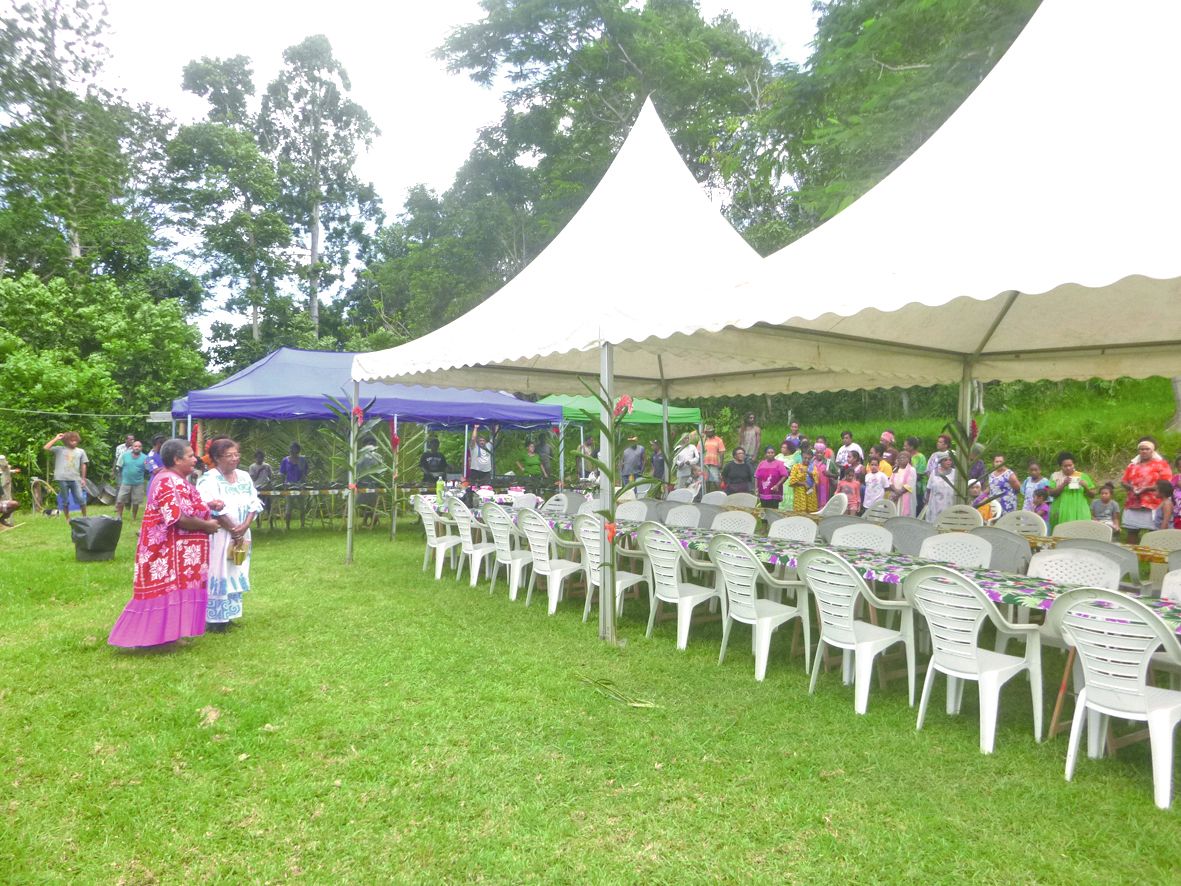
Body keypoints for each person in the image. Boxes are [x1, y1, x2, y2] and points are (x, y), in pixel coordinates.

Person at [108, 439, 222, 648]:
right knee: (164, 591)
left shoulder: (174, 479)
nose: (194, 459)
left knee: (174, 591)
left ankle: (170, 636)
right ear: (177, 459)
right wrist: (207, 525)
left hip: (177, 552)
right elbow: (178, 517)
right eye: (190, 456)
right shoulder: (168, 481)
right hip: (165, 550)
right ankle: (154, 638)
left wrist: (207, 505)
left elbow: (182, 506)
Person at [198, 437, 264, 632]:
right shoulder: (208, 479)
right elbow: (211, 507)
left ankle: (230, 614)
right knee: (218, 571)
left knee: (236, 569)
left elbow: (254, 501)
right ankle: (215, 619)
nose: (235, 458)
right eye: (229, 455)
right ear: (217, 458)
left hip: (242, 534)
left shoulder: (244, 476)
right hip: (220, 534)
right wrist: (234, 530)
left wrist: (244, 526)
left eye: (236, 454)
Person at [1120, 436, 1173, 543]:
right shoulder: (1132, 465)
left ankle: (1151, 552)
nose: (1144, 451)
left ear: (1152, 450)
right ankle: (1131, 552)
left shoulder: (1161, 464)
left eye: (1147, 449)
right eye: (1141, 449)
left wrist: (1146, 488)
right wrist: (1131, 487)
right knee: (1132, 531)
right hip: (1133, 503)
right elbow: (1123, 481)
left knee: (1154, 533)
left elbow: (1166, 483)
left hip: (1154, 504)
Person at [43, 431, 88, 520]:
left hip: (75, 478)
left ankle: (85, 517)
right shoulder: (60, 449)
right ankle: (68, 519)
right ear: (67, 441)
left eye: (76, 441)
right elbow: (46, 447)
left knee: (81, 498)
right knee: (65, 500)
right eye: (72, 441)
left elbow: (84, 464)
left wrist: (83, 478)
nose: (74, 442)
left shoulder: (81, 451)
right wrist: (56, 438)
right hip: (62, 478)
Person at [1049, 451, 1096, 531]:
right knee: (1062, 533)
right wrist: (1063, 484)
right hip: (1061, 512)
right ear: (1060, 466)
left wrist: (1085, 486)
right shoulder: (1055, 476)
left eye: (1070, 465)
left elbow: (1093, 495)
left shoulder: (1082, 476)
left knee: (1081, 533)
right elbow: (1050, 493)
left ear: (1074, 464)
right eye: (1065, 466)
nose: (1068, 468)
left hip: (1080, 511)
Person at [115, 440, 149, 521]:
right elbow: (119, 466)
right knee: (120, 499)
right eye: (135, 446)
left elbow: (147, 469)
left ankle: (134, 517)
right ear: (132, 447)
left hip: (138, 483)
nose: (137, 448)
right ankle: (119, 516)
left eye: (139, 446)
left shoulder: (145, 458)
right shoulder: (124, 455)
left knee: (136, 502)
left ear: (141, 448)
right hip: (126, 482)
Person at [279, 442, 309, 528]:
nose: (293, 451)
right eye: (292, 449)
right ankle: (287, 526)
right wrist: (283, 484)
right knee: (289, 506)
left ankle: (302, 525)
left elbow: (306, 471)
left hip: (301, 485)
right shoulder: (285, 460)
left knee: (302, 506)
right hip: (289, 486)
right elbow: (282, 473)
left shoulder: (303, 460)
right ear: (290, 450)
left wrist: (303, 481)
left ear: (298, 450)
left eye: (296, 449)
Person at [924, 454, 957, 524]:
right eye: (945, 460)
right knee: (935, 522)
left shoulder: (955, 473)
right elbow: (929, 488)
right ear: (940, 461)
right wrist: (926, 501)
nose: (948, 462)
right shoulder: (934, 472)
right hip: (935, 503)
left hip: (949, 503)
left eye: (950, 460)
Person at [754, 445, 788, 510]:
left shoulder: (779, 464)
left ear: (774, 454)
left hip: (774, 492)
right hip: (763, 491)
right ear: (765, 454)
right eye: (768, 453)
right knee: (764, 510)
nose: (770, 454)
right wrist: (756, 488)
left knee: (773, 510)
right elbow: (756, 476)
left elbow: (785, 475)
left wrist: (777, 485)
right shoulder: (761, 463)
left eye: (772, 453)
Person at [889, 450, 918, 517]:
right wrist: (895, 491)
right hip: (895, 496)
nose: (902, 459)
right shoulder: (895, 469)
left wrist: (898, 494)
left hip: (905, 495)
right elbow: (890, 482)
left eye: (904, 457)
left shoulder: (911, 470)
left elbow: (910, 484)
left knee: (904, 515)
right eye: (900, 457)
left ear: (909, 459)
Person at [904, 437, 927, 508]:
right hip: (905, 487)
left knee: (917, 507)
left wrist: (908, 483)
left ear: (912, 447)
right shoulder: (905, 456)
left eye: (906, 446)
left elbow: (920, 474)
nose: (904, 447)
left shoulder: (920, 457)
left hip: (917, 488)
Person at [702, 425, 726, 490]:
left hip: (714, 463)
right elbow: (699, 452)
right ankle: (707, 495)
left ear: (713, 431)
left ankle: (719, 494)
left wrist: (721, 463)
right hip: (704, 464)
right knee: (706, 481)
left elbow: (722, 452)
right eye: (708, 431)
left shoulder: (718, 440)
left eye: (711, 431)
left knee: (716, 481)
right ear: (705, 432)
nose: (710, 433)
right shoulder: (702, 441)